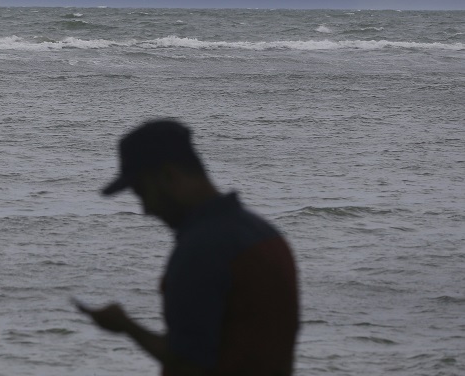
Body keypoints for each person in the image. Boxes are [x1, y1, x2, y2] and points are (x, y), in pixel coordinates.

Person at [75, 119, 299, 376]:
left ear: (168, 176)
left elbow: (189, 365)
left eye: (141, 192)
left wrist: (126, 326)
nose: (146, 210)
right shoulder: (266, 234)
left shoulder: (203, 250)